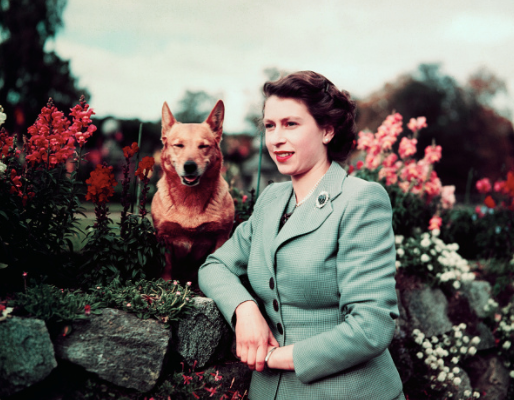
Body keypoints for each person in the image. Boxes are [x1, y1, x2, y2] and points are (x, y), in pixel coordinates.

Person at [198, 71, 405, 399]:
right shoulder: (271, 200)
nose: (276, 138)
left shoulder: (361, 199)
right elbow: (214, 266)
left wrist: (275, 356)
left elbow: (372, 326)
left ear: (326, 130)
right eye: (269, 126)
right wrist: (245, 309)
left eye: (291, 124)